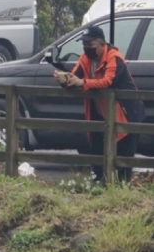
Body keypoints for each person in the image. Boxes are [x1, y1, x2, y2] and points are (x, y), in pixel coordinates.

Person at [56, 25, 145, 182]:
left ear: (102, 44)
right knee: (96, 152)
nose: (87, 49)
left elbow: (108, 81)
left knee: (124, 158)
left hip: (126, 113)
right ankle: (100, 185)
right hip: (100, 113)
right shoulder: (85, 59)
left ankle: (122, 191)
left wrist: (83, 82)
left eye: (90, 45)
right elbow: (74, 76)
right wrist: (64, 80)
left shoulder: (114, 58)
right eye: (84, 45)